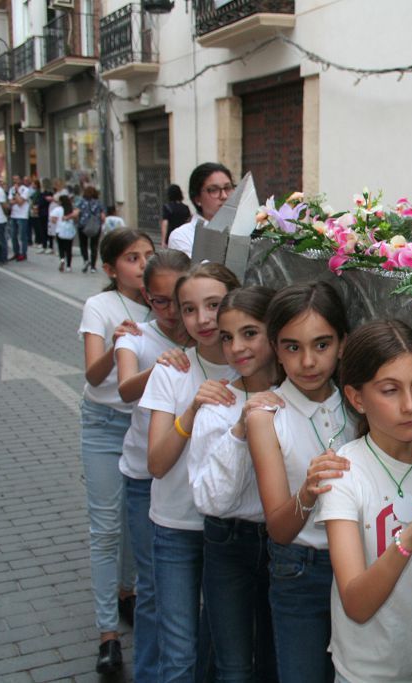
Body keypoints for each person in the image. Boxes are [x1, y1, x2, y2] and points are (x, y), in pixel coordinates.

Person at [314, 319, 412, 683]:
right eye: (390, 390)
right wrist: (409, 537)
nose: (411, 405)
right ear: (356, 398)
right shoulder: (345, 474)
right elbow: (356, 603)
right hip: (366, 673)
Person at [246, 282, 356, 683]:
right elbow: (278, 527)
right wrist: (307, 492)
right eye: (292, 347)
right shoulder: (266, 416)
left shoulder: (359, 404)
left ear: (343, 343)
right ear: (275, 348)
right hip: (300, 570)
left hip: (362, 564)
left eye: (322, 345)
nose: (308, 361)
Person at [139, 262, 243, 683]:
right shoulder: (172, 369)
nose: (202, 319)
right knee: (178, 652)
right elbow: (157, 463)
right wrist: (193, 408)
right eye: (188, 309)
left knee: (224, 650)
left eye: (214, 305)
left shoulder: (252, 367)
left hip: (234, 530)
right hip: (176, 527)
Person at [187, 286, 282, 681]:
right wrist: (242, 430)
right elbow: (212, 498)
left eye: (249, 333)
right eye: (227, 337)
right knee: (234, 665)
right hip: (228, 542)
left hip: (283, 548)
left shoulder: (296, 397)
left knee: (274, 662)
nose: (237, 347)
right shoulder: (219, 404)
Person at [78, 228, 156, 674]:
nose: (142, 264)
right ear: (111, 269)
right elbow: (92, 376)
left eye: (147, 255)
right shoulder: (100, 306)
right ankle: (108, 634)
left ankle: (127, 593)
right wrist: (115, 346)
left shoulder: (162, 302)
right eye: (131, 257)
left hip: (145, 425)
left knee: (136, 522)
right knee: (107, 529)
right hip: (105, 426)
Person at [114, 248, 193, 683]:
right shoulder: (136, 337)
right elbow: (126, 388)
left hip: (186, 479)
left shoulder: (205, 332)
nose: (169, 313)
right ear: (146, 296)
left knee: (181, 593)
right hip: (144, 479)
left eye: (176, 302)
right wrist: (159, 366)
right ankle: (147, 672)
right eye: (158, 301)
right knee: (151, 588)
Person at [168, 163, 234, 257]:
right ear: (197, 198)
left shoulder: (246, 228)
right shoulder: (182, 236)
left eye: (227, 188)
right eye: (213, 190)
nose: (224, 196)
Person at [78, 186, 105, 274]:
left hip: (83, 225)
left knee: (83, 244)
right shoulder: (99, 202)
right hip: (95, 225)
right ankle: (93, 266)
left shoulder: (82, 201)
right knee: (94, 245)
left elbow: (77, 212)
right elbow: (103, 216)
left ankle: (86, 260)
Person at [8, 175, 31, 261]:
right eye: (14, 179)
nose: (15, 181)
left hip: (22, 215)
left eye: (17, 179)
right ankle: (16, 252)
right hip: (14, 215)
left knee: (22, 236)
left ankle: (23, 253)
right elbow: (10, 201)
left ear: (20, 180)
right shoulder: (11, 189)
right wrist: (17, 199)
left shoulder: (25, 190)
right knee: (13, 235)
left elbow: (21, 202)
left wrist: (17, 193)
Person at [52, 195, 78, 272]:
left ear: (61, 201)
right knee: (69, 248)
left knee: (61, 247)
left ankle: (62, 259)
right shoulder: (72, 209)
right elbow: (76, 219)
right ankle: (69, 266)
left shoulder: (57, 209)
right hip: (70, 230)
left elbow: (53, 219)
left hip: (60, 230)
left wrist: (58, 221)